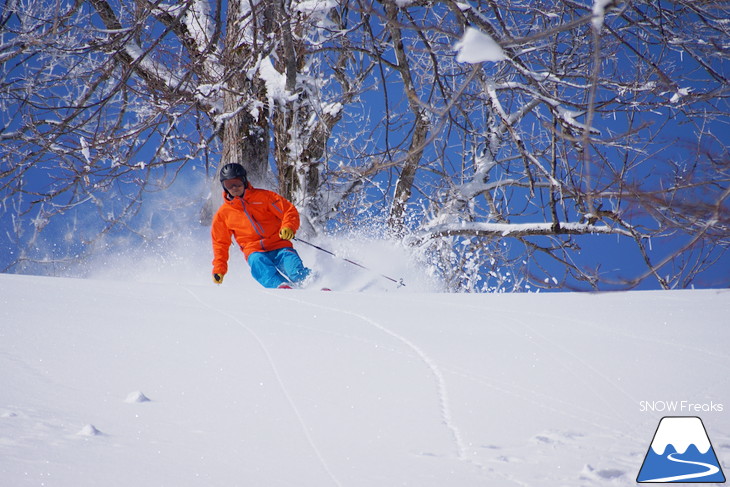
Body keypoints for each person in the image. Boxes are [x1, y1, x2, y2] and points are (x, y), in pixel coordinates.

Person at [211, 163, 311, 289]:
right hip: (254, 251)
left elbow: (288, 210)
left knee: (294, 270)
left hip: (279, 245)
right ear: (224, 187)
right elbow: (220, 243)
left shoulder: (264, 197)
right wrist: (219, 268)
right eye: (229, 185)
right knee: (258, 263)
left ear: (244, 180)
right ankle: (281, 287)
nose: (234, 187)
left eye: (237, 182)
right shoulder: (223, 214)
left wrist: (288, 227)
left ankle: (313, 283)